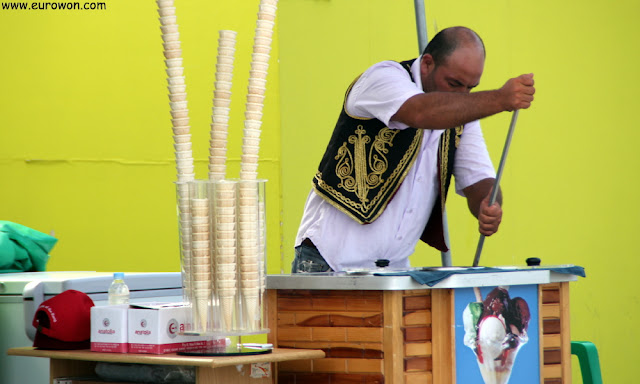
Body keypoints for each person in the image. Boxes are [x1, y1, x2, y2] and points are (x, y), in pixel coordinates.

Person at [293, 26, 535, 273]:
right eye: (454, 83)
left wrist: (489, 203)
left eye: (470, 88)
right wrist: (499, 99)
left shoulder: (461, 114)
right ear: (427, 64)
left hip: (393, 271)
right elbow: (421, 112)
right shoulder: (383, 77)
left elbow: (479, 179)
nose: (462, 95)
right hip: (327, 262)